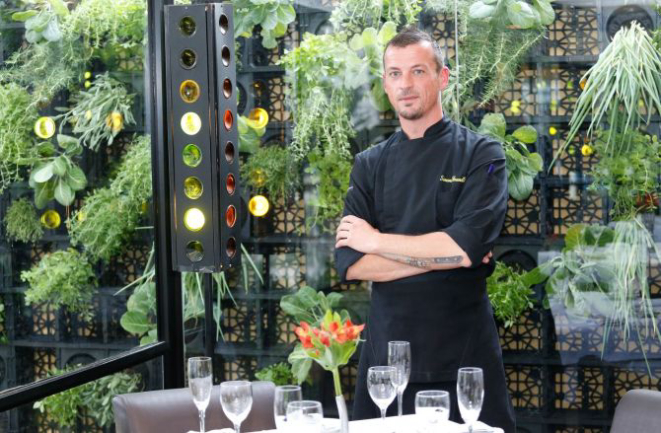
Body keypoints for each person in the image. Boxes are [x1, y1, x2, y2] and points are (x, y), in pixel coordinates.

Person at [334, 26, 516, 432]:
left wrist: (376, 241)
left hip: (463, 354)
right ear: (385, 84)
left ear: (442, 77)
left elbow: (465, 247)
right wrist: (448, 254)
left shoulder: (483, 154)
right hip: (386, 361)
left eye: (418, 71)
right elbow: (351, 263)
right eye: (395, 74)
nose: (405, 84)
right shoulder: (369, 164)